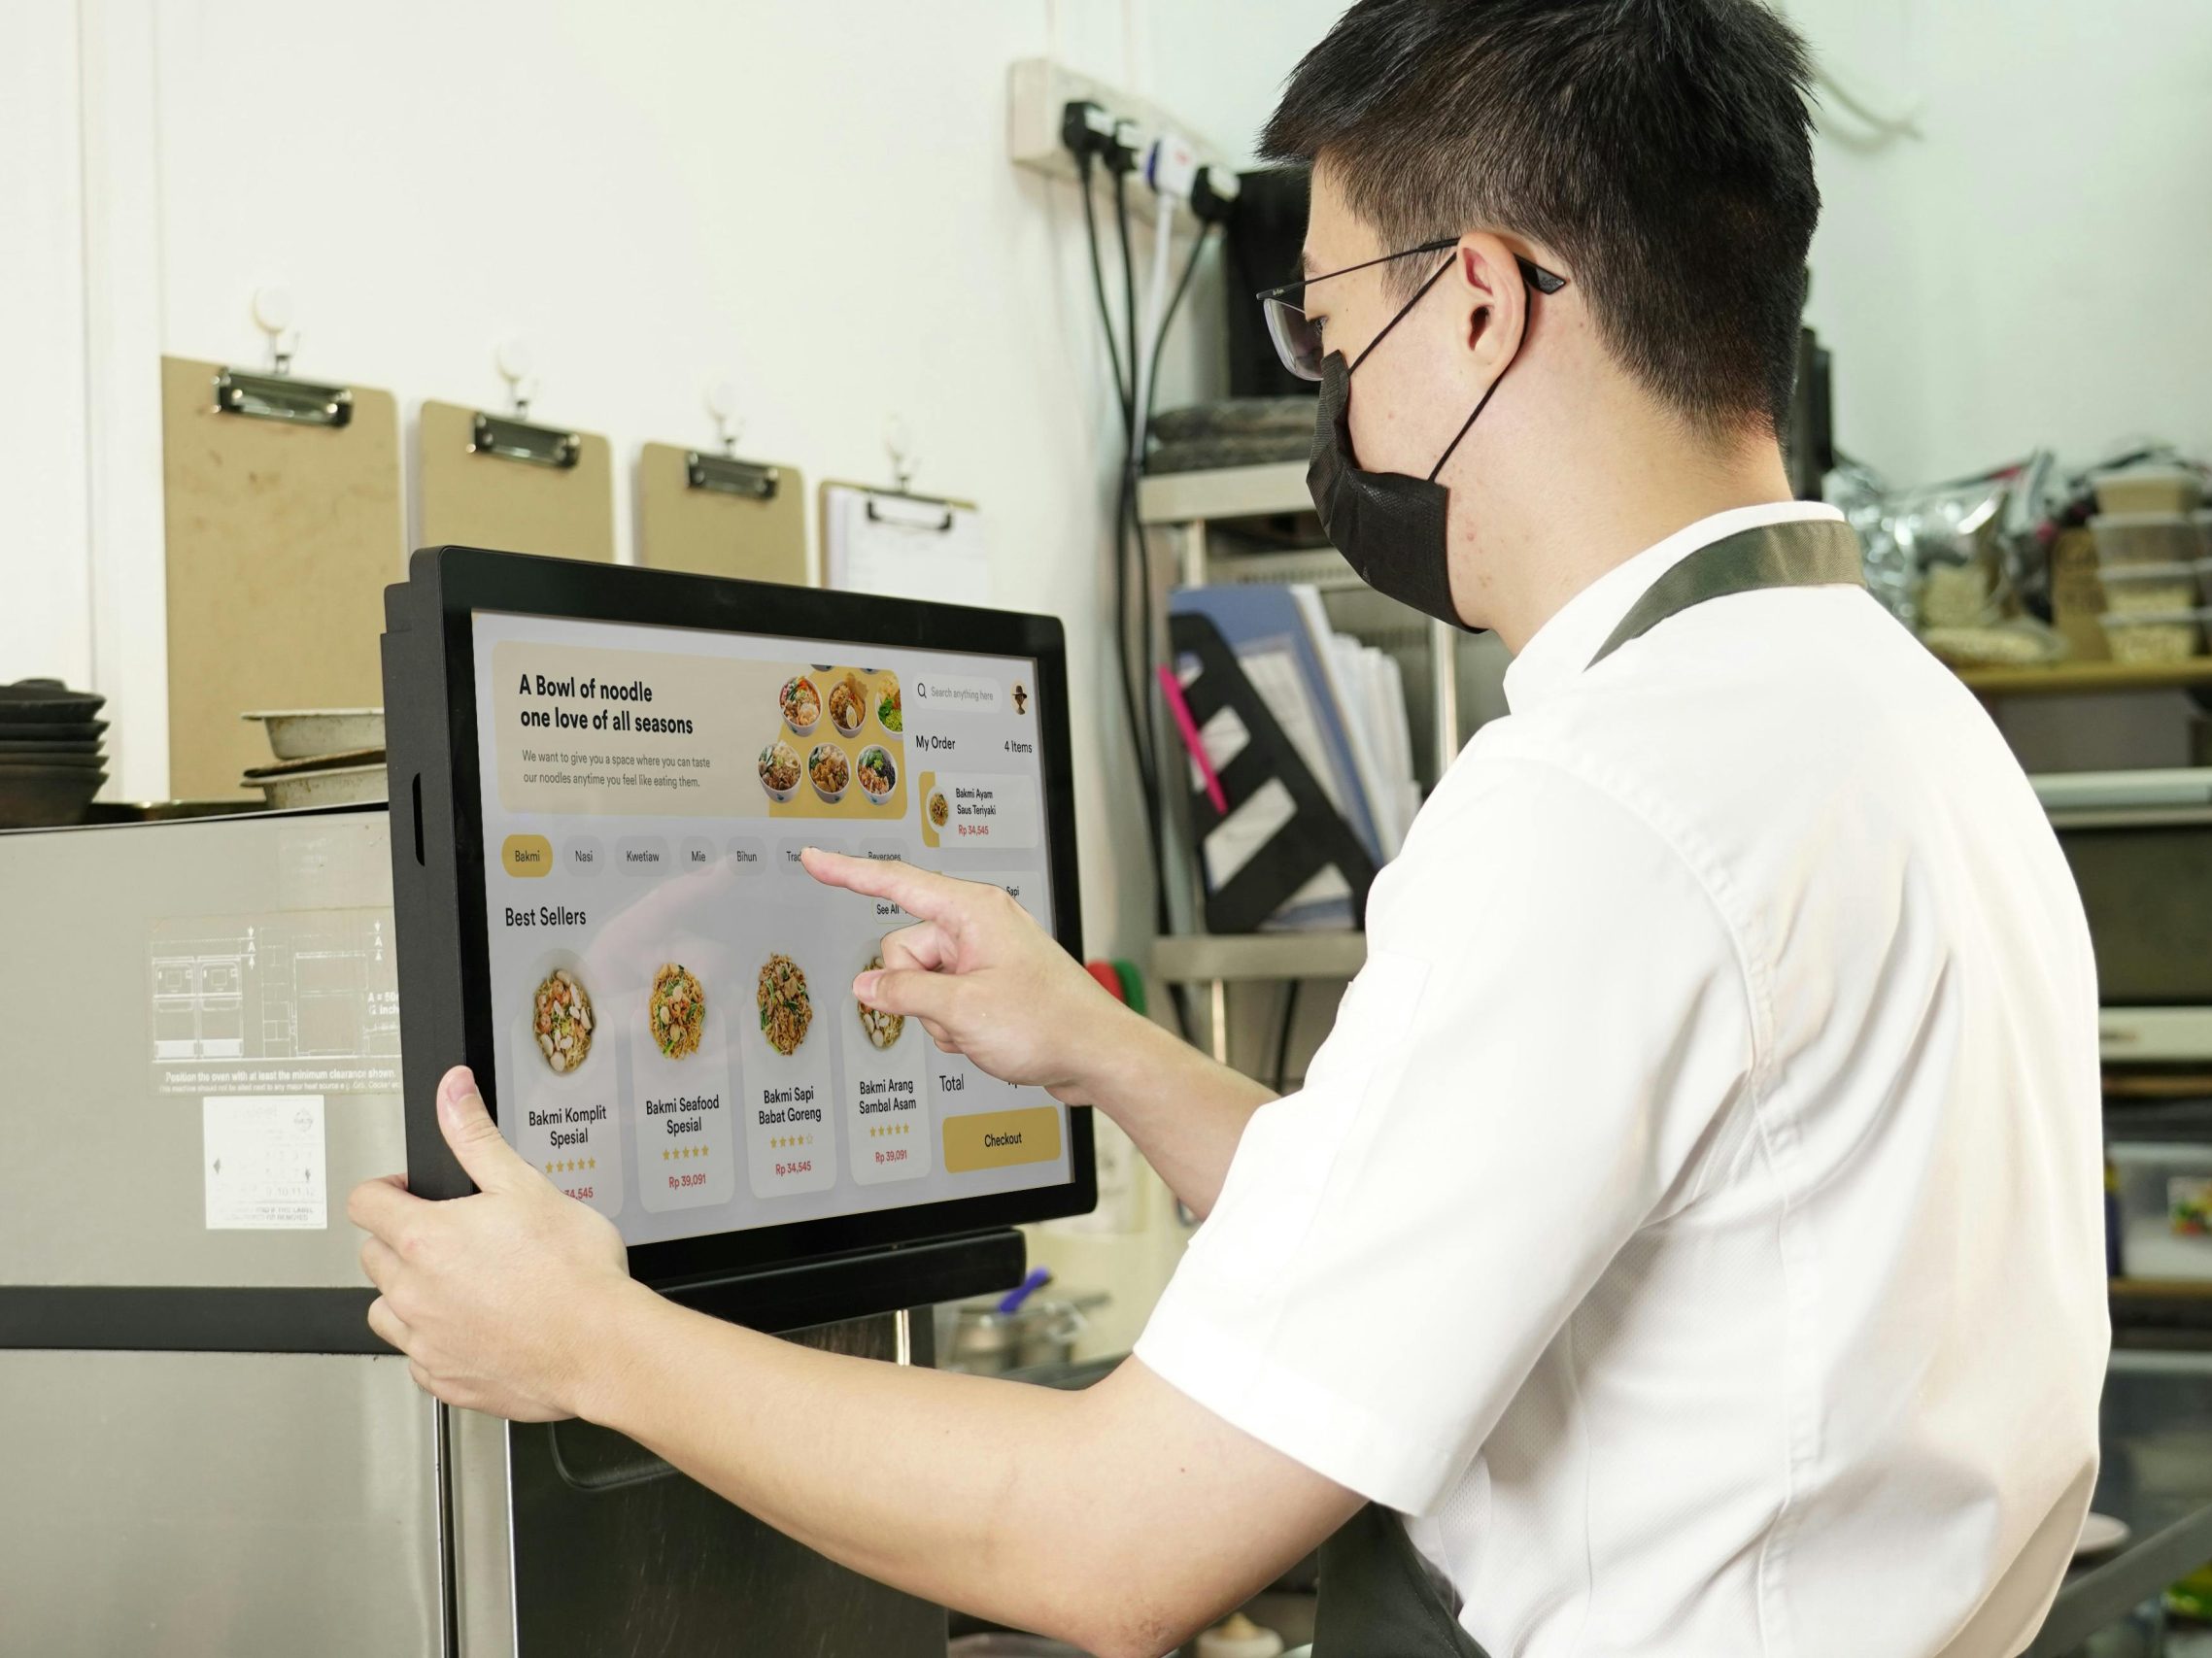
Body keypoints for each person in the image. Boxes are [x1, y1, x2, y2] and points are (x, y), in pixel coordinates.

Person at [348, 2, 2108, 1653]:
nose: (1335, 408)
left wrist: (591, 1340)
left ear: (1480, 303)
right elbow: (1467, 1219)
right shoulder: (1884, 717)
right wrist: (1102, 1051)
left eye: (1334, 337)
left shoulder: (1603, 803)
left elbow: (1112, 1544)